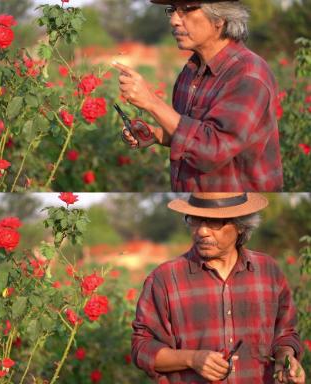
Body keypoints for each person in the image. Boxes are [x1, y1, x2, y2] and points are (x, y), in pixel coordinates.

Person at [131, 193, 305, 383]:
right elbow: (142, 347)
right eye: (196, 221)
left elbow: (286, 333)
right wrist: (192, 359)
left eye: (215, 222)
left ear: (240, 226)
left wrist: (285, 358)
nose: (202, 231)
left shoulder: (268, 271)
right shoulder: (165, 278)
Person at [113, 1, 282, 192]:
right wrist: (157, 135)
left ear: (219, 18)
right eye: (173, 10)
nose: (174, 20)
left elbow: (212, 149)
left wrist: (151, 102)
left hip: (232, 202)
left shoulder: (248, 74)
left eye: (186, 10)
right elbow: (191, 132)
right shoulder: (191, 70)